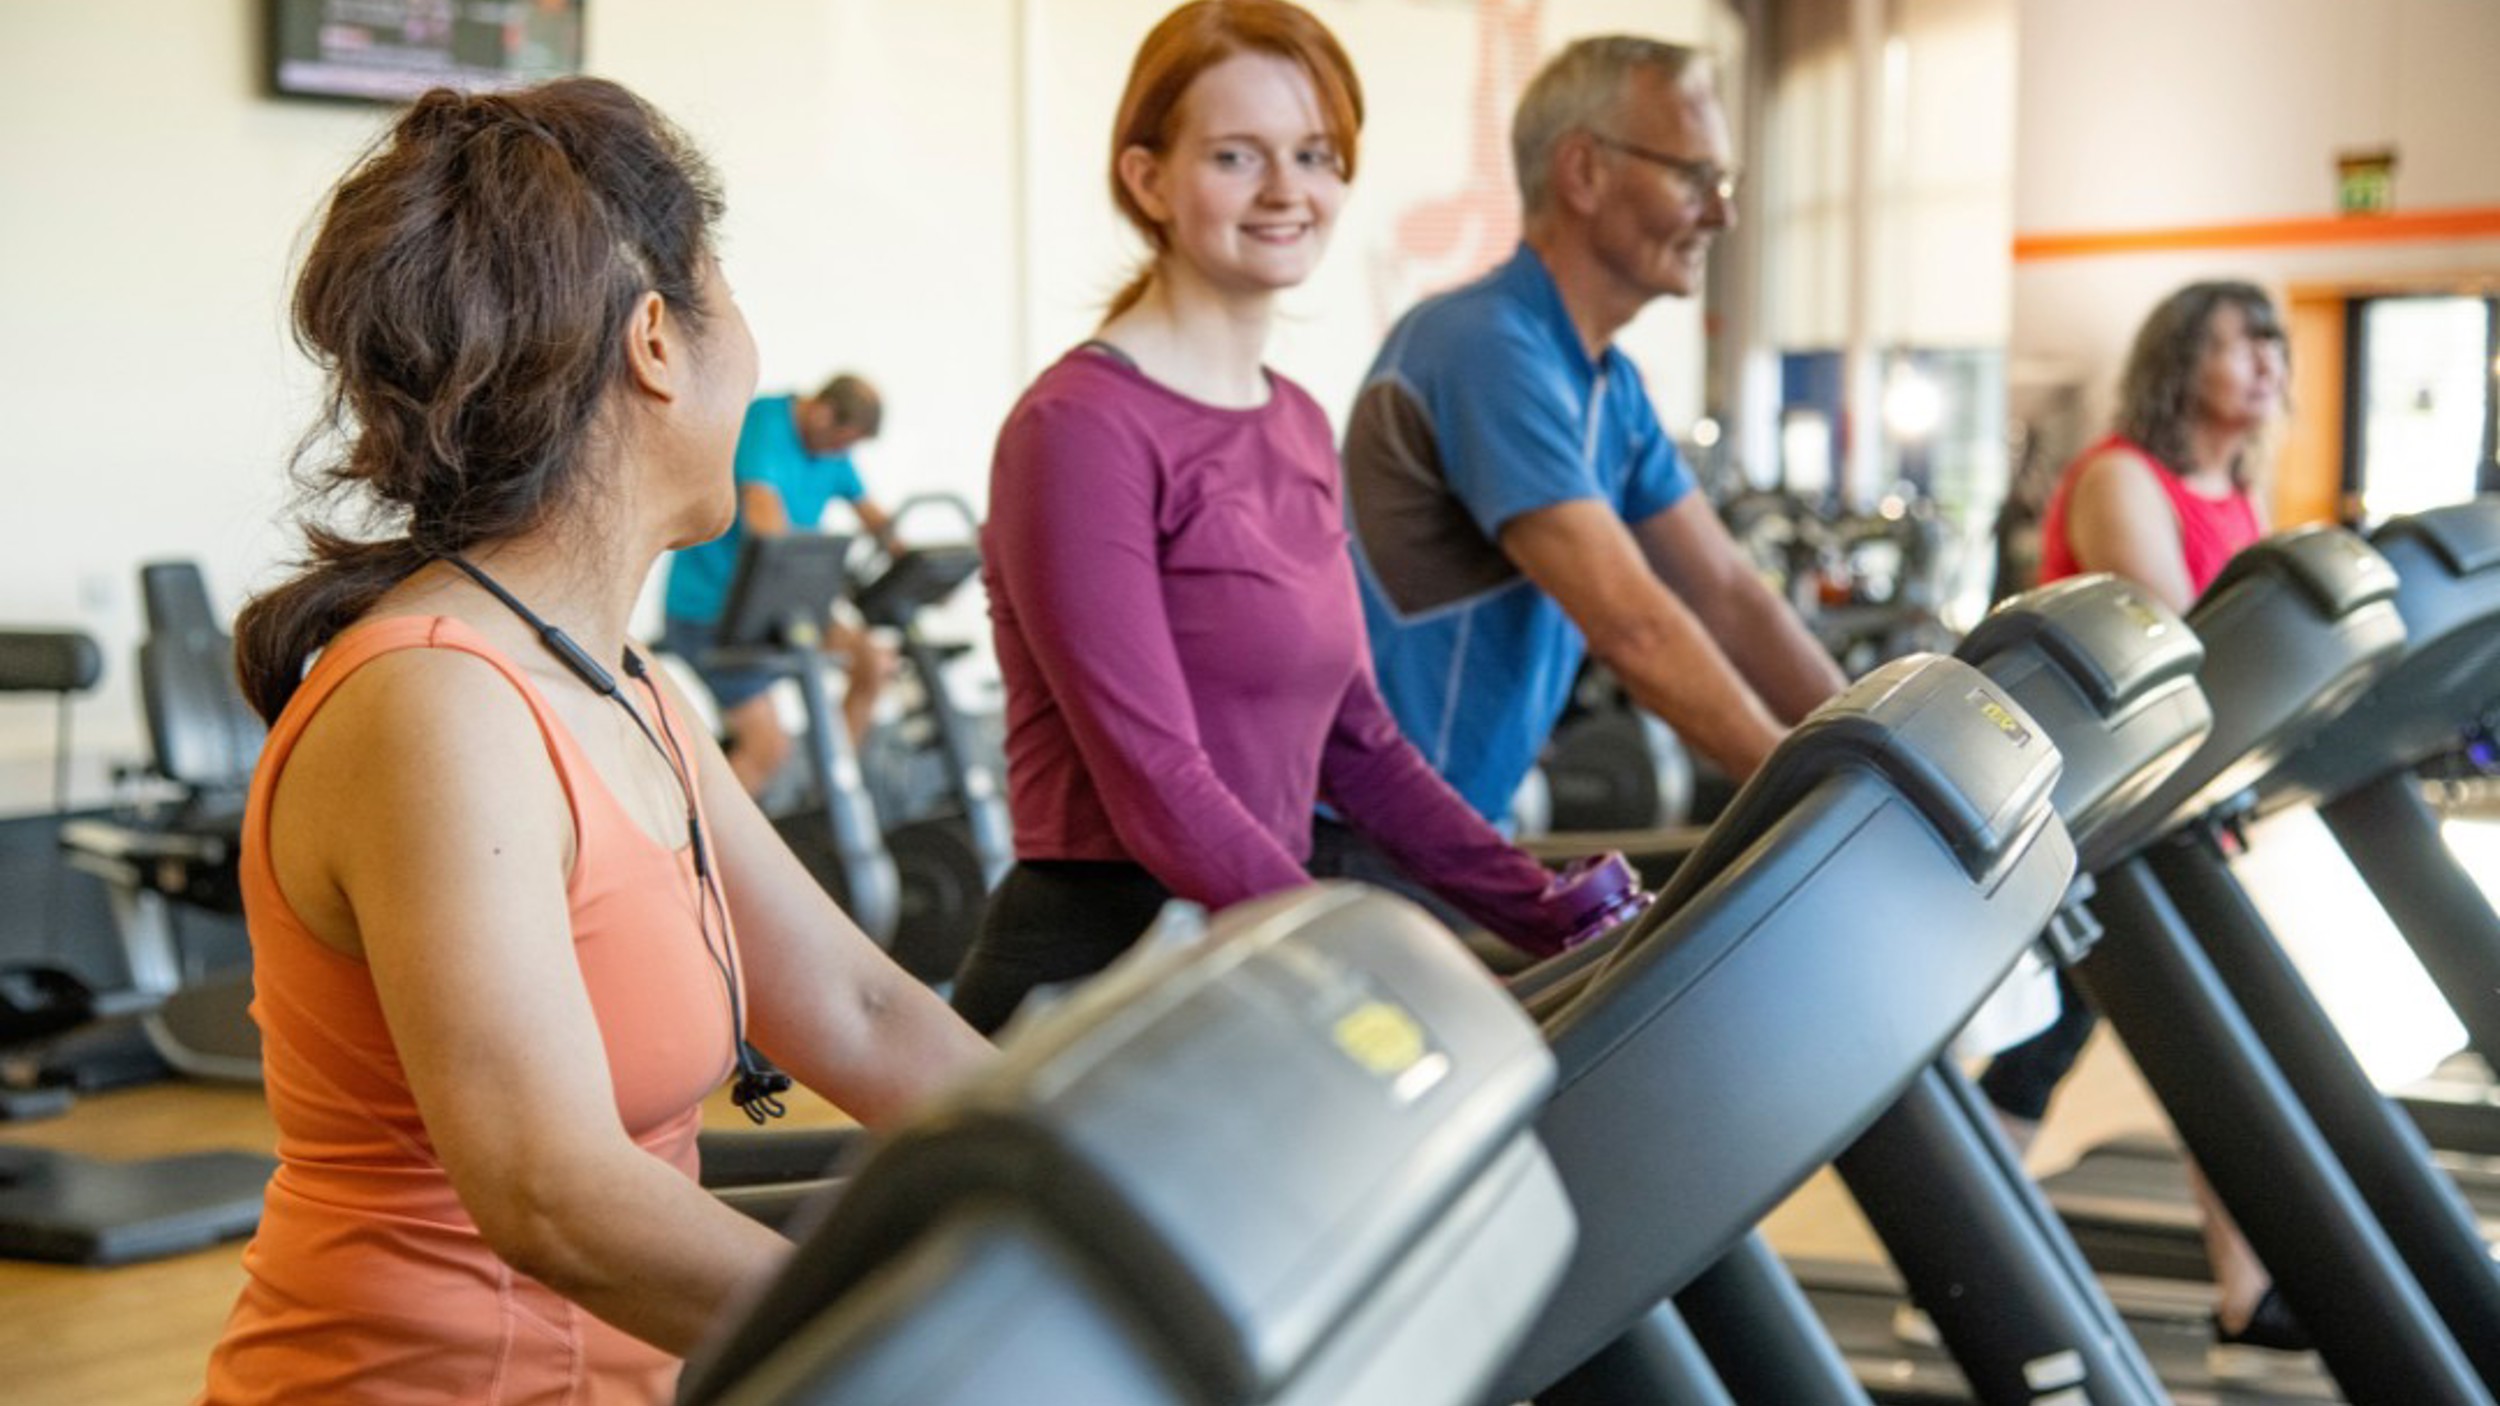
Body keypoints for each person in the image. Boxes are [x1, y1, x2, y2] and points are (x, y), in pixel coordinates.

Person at [203, 80, 989, 1404]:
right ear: (656, 342)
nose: (751, 355)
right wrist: (927, 1343)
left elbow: (860, 1008)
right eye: (726, 302)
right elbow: (552, 1194)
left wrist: (1110, 1165)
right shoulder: (438, 704)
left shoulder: (619, 682)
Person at [949, 0, 1644, 1037]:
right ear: (1147, 178)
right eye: (1236, 156)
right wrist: (1353, 955)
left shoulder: (1294, 421)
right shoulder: (1078, 428)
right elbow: (1154, 778)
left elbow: (1356, 741)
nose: (1287, 191)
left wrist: (1541, 906)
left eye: (1315, 154)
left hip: (1247, 943)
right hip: (1105, 970)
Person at [1333, 37, 1846, 866]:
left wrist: (1885, 744)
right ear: (1583, 173)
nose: (1722, 214)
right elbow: (1634, 629)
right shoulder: (1484, 346)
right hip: (1367, 848)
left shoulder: (1612, 388)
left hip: (1460, 834)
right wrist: (1815, 792)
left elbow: (1727, 595)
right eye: (1695, 178)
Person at [1979, 278, 2293, 1353]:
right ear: (2177, 364)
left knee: (2206, 1042)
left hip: (2178, 817)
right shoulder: (2122, 476)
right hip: (2103, 815)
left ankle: (2244, 1289)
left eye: (2273, 347)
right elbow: (2191, 650)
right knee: (2060, 1046)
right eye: (2240, 344)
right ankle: (1957, 1240)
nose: (2267, 364)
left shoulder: (2233, 489)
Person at [661, 373, 899, 795]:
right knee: (768, 748)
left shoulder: (832, 449)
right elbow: (762, 512)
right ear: (823, 413)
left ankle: (828, 802)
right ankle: (691, 857)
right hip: (713, 612)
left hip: (783, 605)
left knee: (873, 662)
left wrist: (913, 557)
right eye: (842, 441)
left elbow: (873, 516)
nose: (842, 454)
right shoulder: (767, 423)